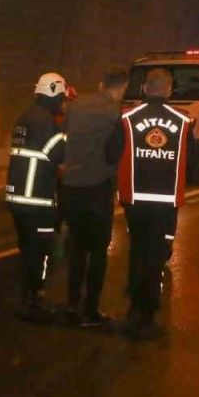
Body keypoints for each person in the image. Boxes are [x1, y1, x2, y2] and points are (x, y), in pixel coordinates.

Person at [107, 68, 188, 340]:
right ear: (169, 90)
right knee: (156, 255)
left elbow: (110, 152)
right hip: (166, 200)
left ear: (143, 89)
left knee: (138, 251)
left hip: (136, 198)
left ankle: (133, 311)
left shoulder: (127, 119)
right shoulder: (183, 120)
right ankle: (149, 315)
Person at [59, 67, 127, 327]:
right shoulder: (115, 114)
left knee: (76, 247)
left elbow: (62, 137)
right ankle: (91, 310)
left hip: (71, 186)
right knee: (98, 251)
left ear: (100, 84)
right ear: (121, 89)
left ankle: (72, 305)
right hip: (98, 189)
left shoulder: (75, 106)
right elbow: (114, 153)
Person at [5, 72, 69, 323]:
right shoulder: (48, 123)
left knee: (27, 248)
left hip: (16, 197)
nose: (62, 102)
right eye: (61, 97)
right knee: (40, 251)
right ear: (54, 93)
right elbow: (61, 156)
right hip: (37, 200)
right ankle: (33, 301)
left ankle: (27, 298)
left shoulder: (24, 118)